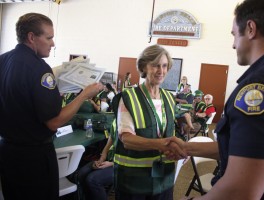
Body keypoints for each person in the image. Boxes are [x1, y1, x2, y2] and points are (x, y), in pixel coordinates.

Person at [168, 0, 264, 199]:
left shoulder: (258, 91)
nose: (233, 44)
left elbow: (240, 191)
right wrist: (187, 148)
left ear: (250, 28)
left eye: (234, 35)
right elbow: (252, 150)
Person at [0, 13, 102, 200]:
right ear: (31, 37)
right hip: (33, 158)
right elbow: (54, 122)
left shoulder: (3, 60)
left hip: (7, 153)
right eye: (49, 37)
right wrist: (84, 95)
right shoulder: (39, 68)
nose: (53, 43)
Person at [113, 44, 186, 199]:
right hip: (134, 181)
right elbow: (127, 140)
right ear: (144, 67)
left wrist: (179, 147)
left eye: (165, 66)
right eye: (155, 65)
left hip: (164, 178)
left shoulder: (169, 98)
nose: (161, 71)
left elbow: (169, 132)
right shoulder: (129, 97)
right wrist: (162, 144)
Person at [77, 120, 116, 200]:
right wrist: (101, 159)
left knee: (92, 179)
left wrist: (111, 163)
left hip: (121, 165)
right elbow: (110, 140)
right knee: (81, 173)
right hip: (108, 160)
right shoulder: (116, 120)